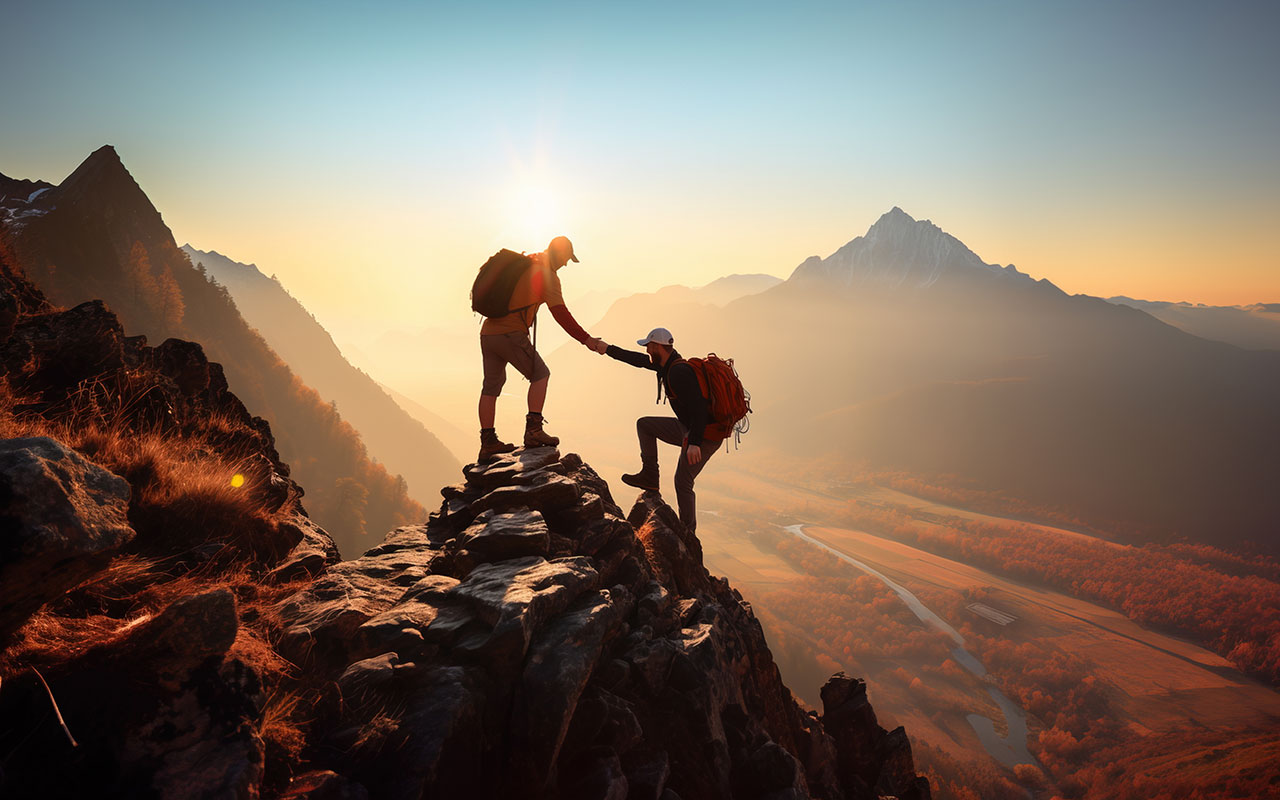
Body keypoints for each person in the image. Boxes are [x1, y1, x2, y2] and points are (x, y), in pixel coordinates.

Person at [478, 235, 603, 461]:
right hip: (510, 333)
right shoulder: (548, 276)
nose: (566, 264)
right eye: (567, 259)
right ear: (561, 254)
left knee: (491, 386)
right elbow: (561, 314)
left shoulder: (528, 262)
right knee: (541, 374)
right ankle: (534, 431)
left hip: (488, 333)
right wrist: (587, 340)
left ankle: (488, 443)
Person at [591, 327, 721, 533]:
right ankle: (650, 477)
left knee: (683, 482)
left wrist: (695, 442)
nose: (647, 351)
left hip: (705, 434)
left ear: (659, 347)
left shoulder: (678, 372)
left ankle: (688, 534)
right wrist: (606, 349)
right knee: (645, 425)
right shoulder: (665, 365)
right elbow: (636, 360)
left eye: (649, 346)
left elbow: (699, 408)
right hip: (688, 428)